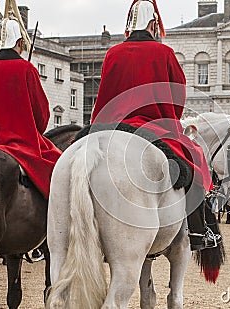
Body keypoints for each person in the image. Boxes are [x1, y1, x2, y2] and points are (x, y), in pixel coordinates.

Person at [90, 0, 220, 251]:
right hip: (154, 127)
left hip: (112, 127)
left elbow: (103, 95)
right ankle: (197, 231)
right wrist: (171, 119)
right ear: (153, 24)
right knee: (195, 159)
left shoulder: (112, 53)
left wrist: (98, 124)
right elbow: (177, 94)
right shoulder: (165, 54)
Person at [0, 1, 61, 199]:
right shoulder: (27, 69)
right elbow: (41, 117)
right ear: (19, 43)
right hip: (19, 143)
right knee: (60, 166)